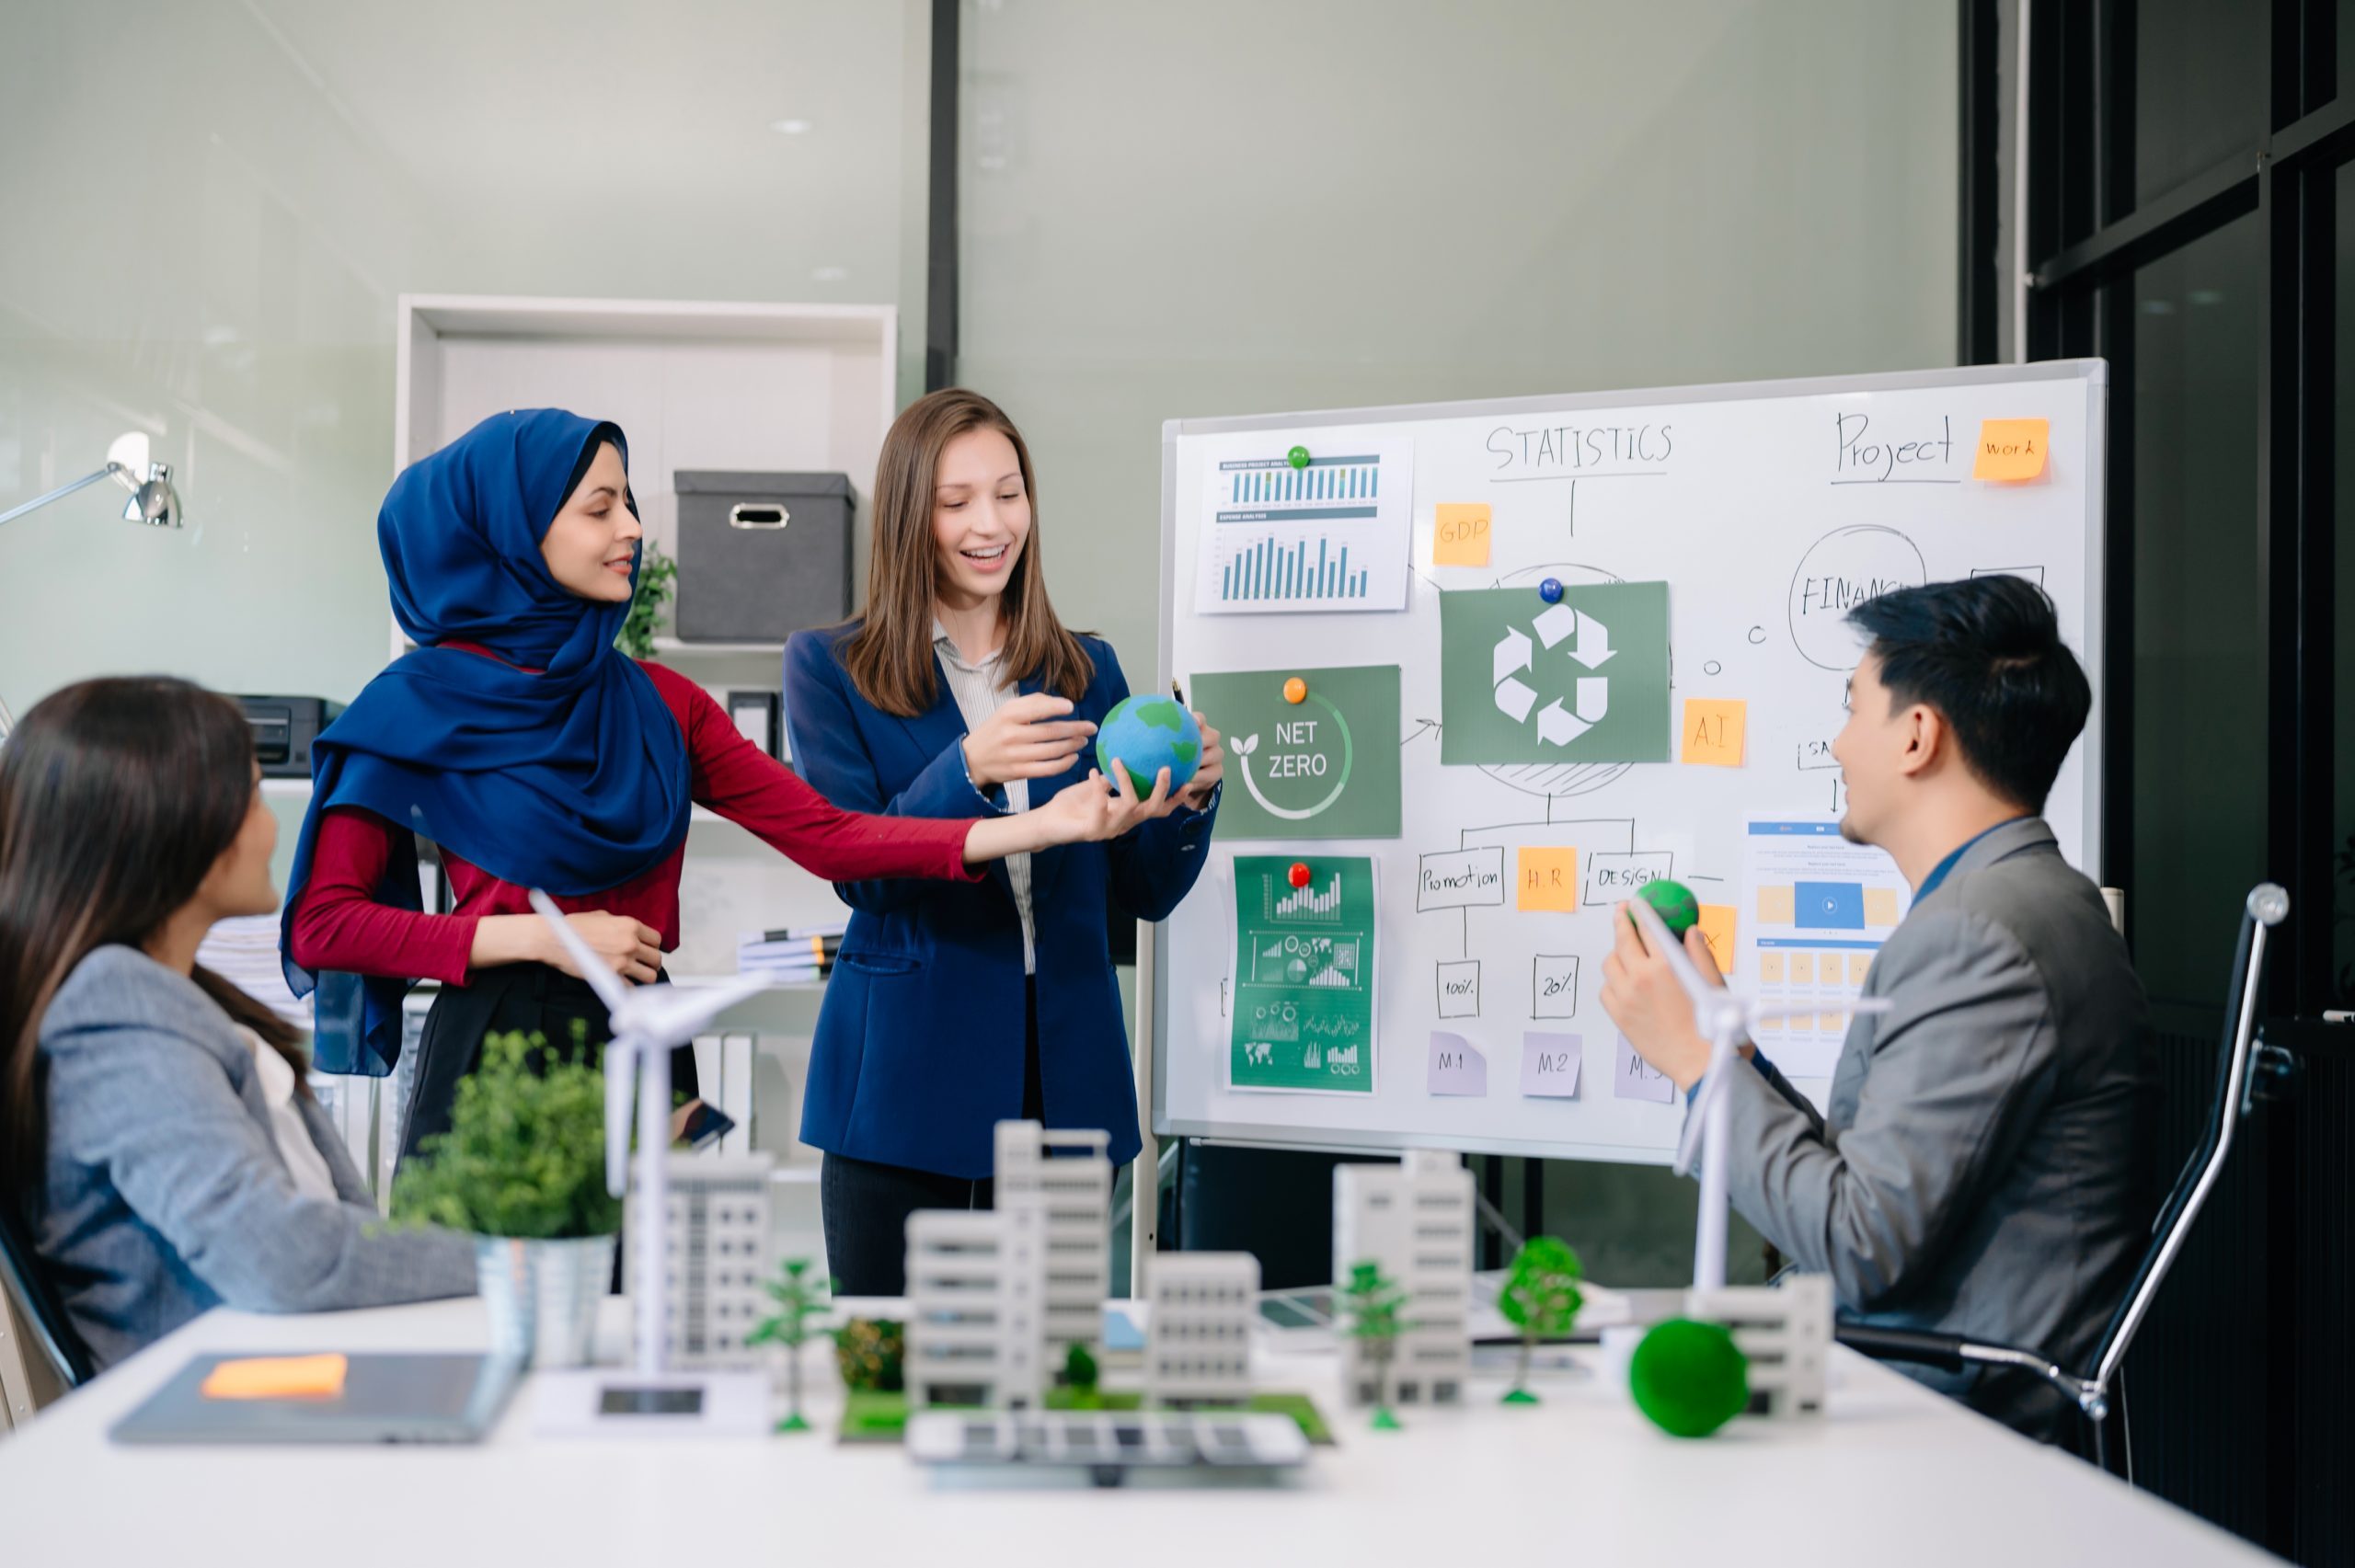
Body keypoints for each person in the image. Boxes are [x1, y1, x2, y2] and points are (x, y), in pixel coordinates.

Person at [282, 408, 1154, 1166]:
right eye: (601, 507)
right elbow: (325, 925)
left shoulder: (663, 704)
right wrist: (543, 939)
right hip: (492, 1053)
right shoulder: (409, 708)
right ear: (514, 532)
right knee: (482, 1333)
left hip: (648, 1045)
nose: (631, 527)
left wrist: (1037, 826)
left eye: (628, 502)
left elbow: (833, 836)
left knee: (664, 1320)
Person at [1603, 575, 2147, 1441]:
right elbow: (1876, 1192)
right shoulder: (2030, 902)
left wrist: (1693, 1063)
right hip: (1925, 1391)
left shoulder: (1979, 932)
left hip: (1939, 1430)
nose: (1838, 745)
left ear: (1917, 735)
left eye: (1854, 709)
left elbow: (1862, 1247)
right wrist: (1732, 1056)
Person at [785, 388, 1223, 1294]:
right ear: (913, 517)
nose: (991, 523)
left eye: (1009, 493)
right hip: (903, 1091)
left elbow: (1138, 890)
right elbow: (856, 868)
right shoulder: (831, 668)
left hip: (1064, 1077)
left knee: (1052, 1373)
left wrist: (1186, 802)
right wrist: (967, 767)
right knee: (894, 1380)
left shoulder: (1086, 669)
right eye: (956, 502)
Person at [0, 678, 477, 1372]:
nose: (276, 826)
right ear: (170, 821)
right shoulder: (113, 1006)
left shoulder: (176, 994)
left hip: (291, 1384)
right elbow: (280, 1255)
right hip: (229, 1420)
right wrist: (511, 1262)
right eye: (253, 796)